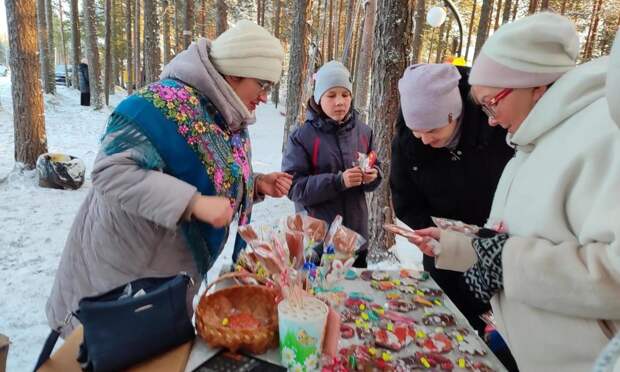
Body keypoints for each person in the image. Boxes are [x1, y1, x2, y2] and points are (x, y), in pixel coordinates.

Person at [46, 20, 293, 337]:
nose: (263, 96)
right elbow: (111, 172)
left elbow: (209, 172)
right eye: (262, 84)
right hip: (118, 280)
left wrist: (256, 184)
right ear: (234, 73)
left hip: (163, 283)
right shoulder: (157, 105)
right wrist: (193, 204)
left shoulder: (225, 117)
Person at [409, 13, 620, 372]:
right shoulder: (530, 141)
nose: (489, 118)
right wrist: (459, 246)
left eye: (492, 102)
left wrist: (506, 262)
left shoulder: (603, 137)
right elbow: (519, 238)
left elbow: (612, 272)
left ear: (535, 84)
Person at [391, 63, 513, 339]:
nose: (423, 139)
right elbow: (405, 200)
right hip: (442, 254)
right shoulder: (407, 143)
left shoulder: (494, 127)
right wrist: (436, 234)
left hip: (496, 255)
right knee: (443, 331)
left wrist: (479, 236)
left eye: (431, 130)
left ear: (453, 114)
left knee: (490, 340)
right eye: (416, 131)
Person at [282, 61, 382, 268]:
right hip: (317, 242)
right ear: (318, 98)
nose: (339, 102)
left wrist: (374, 176)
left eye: (345, 95)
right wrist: (338, 181)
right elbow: (294, 188)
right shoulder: (302, 137)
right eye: (331, 95)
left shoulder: (364, 132)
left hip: (355, 239)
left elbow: (373, 166)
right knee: (318, 299)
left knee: (353, 299)